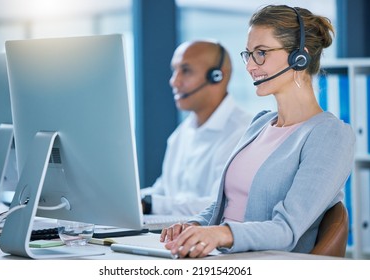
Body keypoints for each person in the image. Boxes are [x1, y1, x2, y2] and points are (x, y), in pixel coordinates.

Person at [160, 5, 355, 258]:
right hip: (222, 255)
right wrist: (194, 225)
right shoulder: (260, 124)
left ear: (299, 57)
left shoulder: (329, 135)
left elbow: (287, 229)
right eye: (249, 54)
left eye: (261, 53)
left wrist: (221, 234)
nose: (250, 66)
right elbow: (226, 204)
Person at [141, 40, 253, 216]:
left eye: (185, 71)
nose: (174, 81)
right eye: (174, 70)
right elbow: (163, 190)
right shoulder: (181, 134)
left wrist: (149, 204)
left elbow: (220, 205)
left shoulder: (243, 133)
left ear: (217, 76)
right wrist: (134, 200)